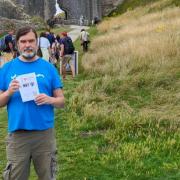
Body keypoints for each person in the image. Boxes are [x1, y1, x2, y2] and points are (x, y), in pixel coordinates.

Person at [0, 26, 65, 180]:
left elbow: (61, 101)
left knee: (47, 176)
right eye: (23, 41)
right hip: (18, 135)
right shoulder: (7, 69)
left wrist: (49, 99)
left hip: (44, 135)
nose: (27, 45)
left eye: (31, 41)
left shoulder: (48, 68)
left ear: (37, 43)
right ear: (17, 44)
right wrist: (9, 92)